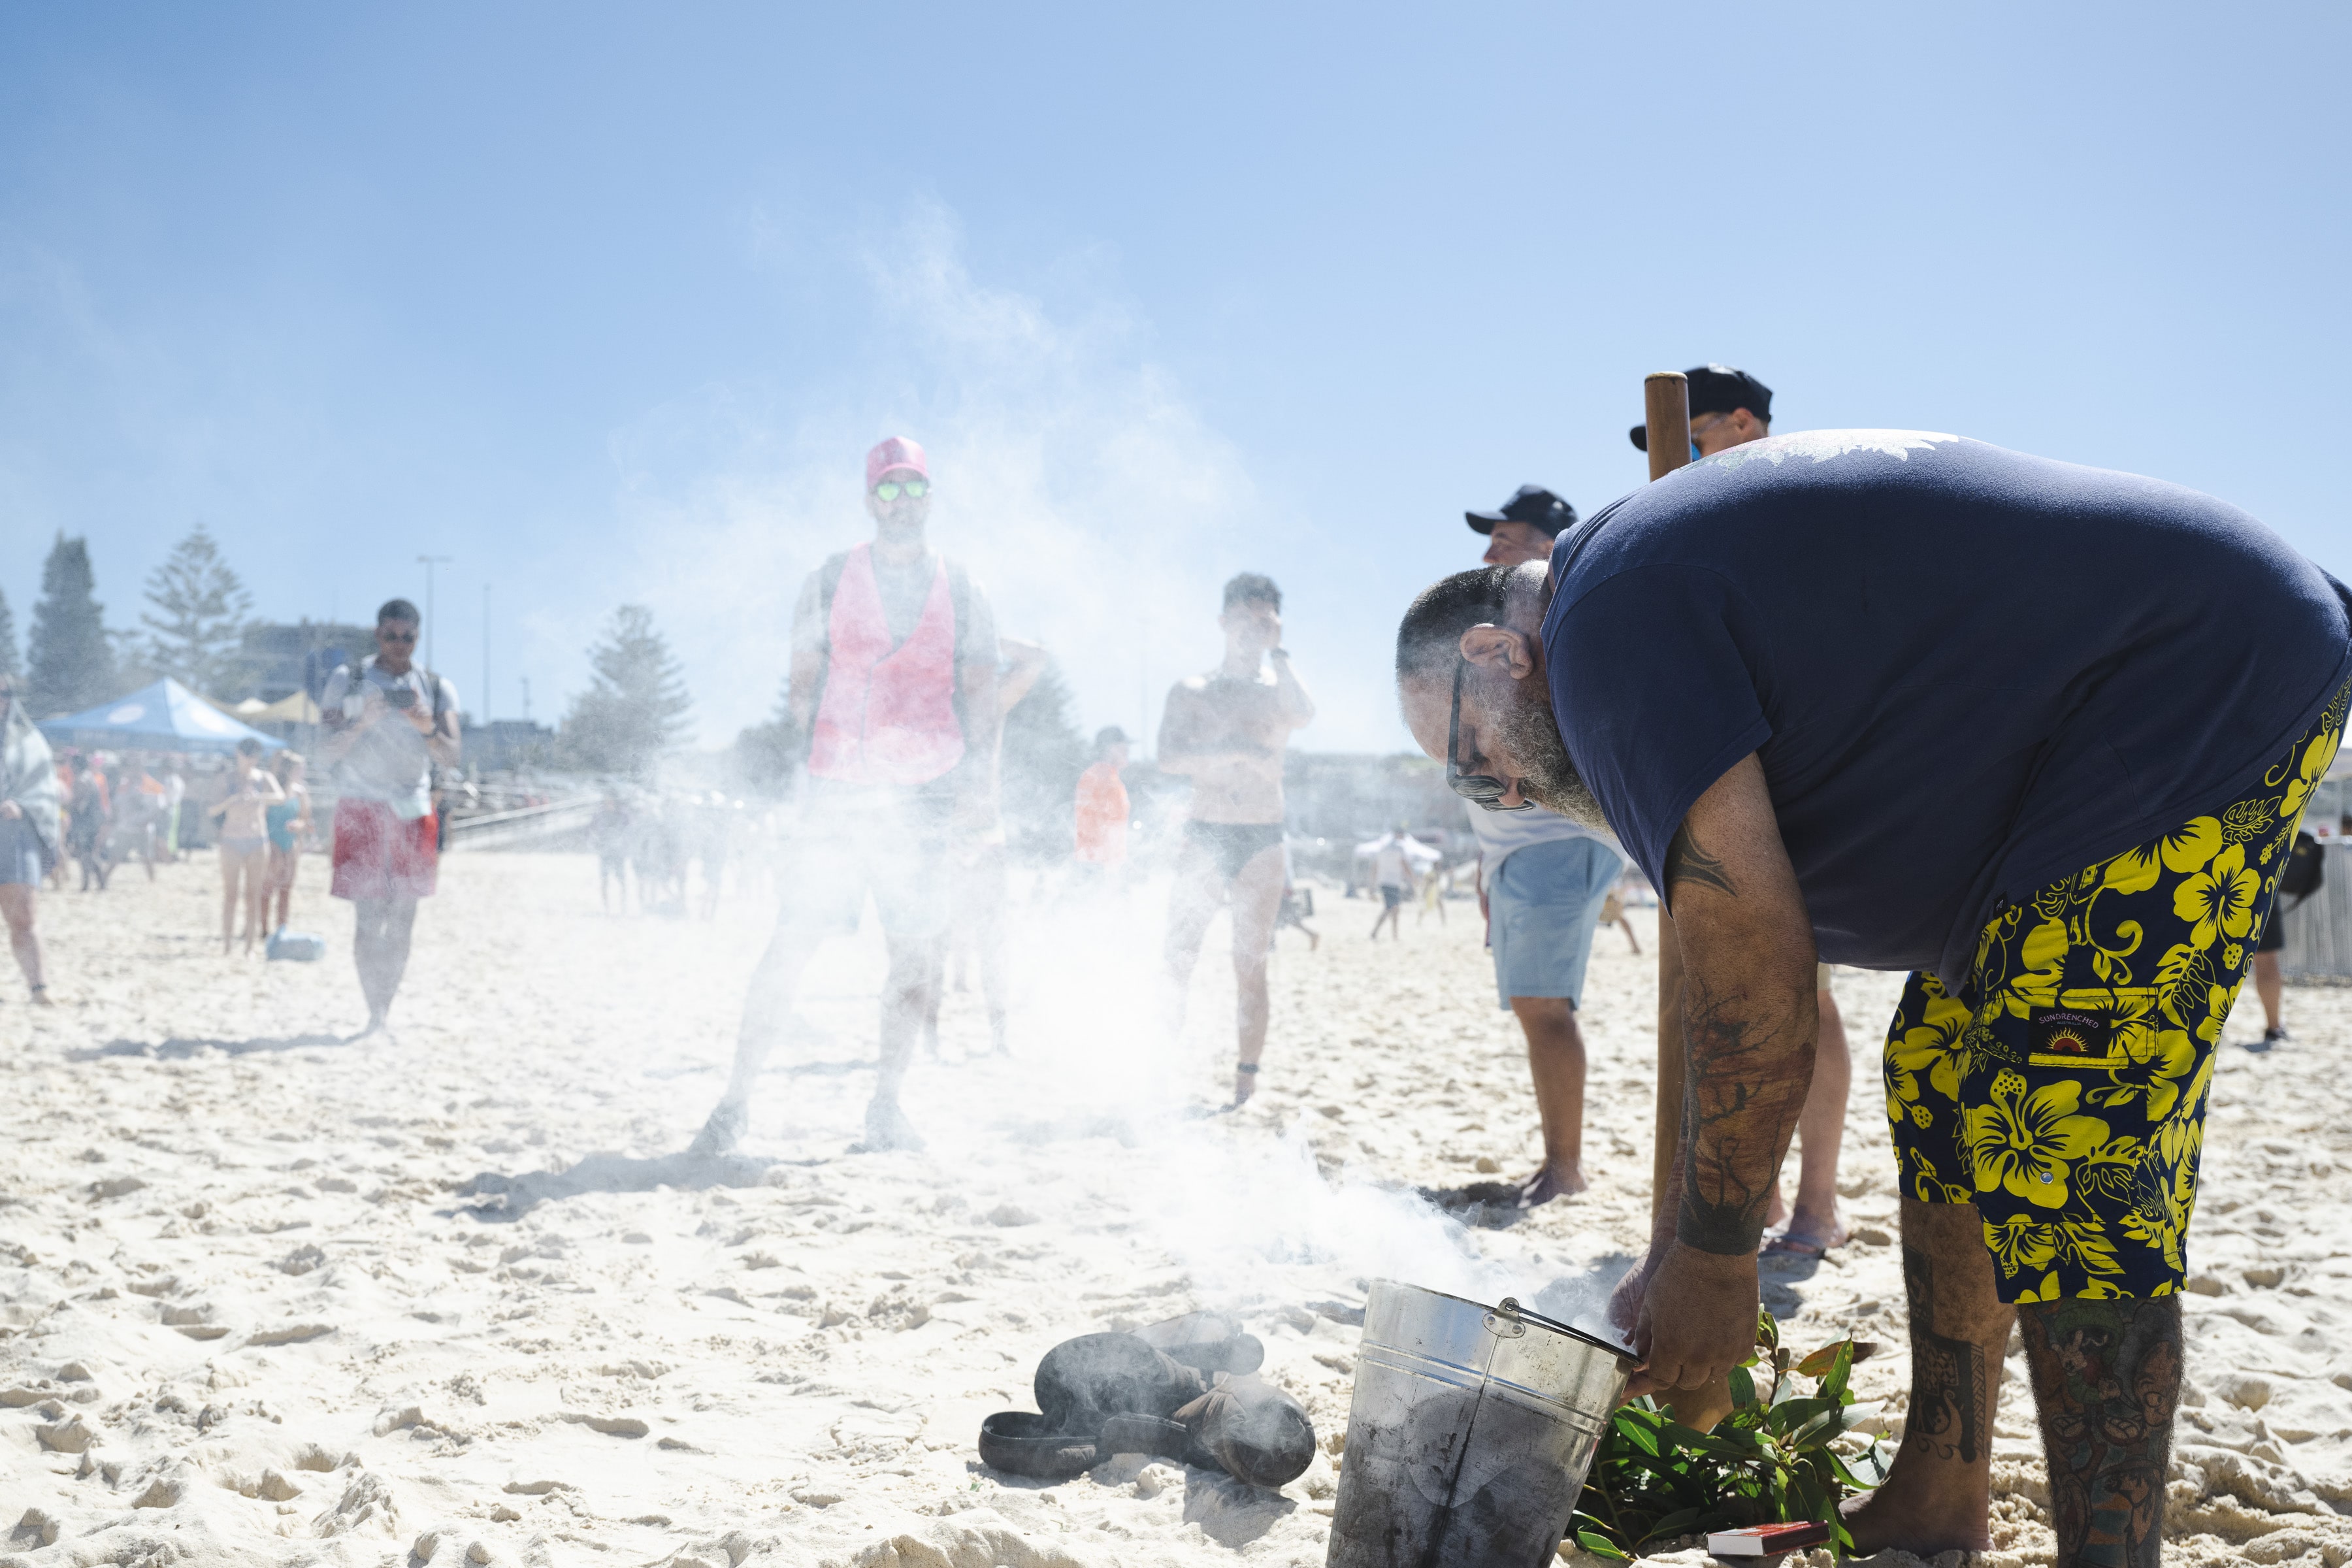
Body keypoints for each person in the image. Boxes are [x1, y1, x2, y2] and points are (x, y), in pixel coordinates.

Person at [1395, 429, 2352, 1564]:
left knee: (2063, 1122)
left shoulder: (1604, 632)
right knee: (1940, 1080)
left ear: (1498, 655)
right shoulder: (1621, 603)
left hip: (2203, 668)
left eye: (1471, 759)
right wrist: (1689, 1243)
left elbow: (1756, 959)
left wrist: (1715, 1254)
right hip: (2095, 733)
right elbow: (1733, 947)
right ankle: (1938, 1496)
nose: (1502, 793)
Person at [693, 436, 1001, 1154]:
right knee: (791, 944)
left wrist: (978, 785)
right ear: (870, 500)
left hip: (924, 794)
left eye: (913, 487)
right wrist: (812, 774)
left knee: (916, 957)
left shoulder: (965, 588)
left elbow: (982, 695)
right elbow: (802, 686)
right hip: (839, 789)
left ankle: (886, 1105)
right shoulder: (828, 580)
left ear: (930, 497)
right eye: (888, 488)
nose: (902, 501)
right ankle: (734, 1103)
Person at [1463, 483, 1629, 1205]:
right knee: (1537, 1006)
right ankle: (1557, 1162)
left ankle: (1566, 1169)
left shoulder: (1560, 620)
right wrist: (1487, 862)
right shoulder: (1521, 624)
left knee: (1543, 1005)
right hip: (1520, 847)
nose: (1488, 554)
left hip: (1552, 839)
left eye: (1505, 539)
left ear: (1548, 548)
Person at [1160, 573, 1315, 1107]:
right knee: (1178, 956)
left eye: (1263, 619)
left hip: (1262, 835)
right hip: (1206, 830)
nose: (1252, 628)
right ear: (1223, 621)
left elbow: (1304, 715)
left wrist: (1281, 652)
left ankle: (1245, 1082)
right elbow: (1168, 758)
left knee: (1250, 964)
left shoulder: (1278, 688)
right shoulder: (1192, 689)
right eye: (1244, 618)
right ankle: (1157, 1069)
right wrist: (1233, 754)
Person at [319, 599, 461, 1033]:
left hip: (412, 810)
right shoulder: (348, 679)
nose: (398, 644)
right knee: (368, 919)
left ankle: (384, 1011)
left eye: (407, 637)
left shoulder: (435, 686)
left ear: (418, 638)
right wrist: (362, 723)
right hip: (361, 807)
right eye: (390, 635)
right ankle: (374, 1013)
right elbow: (324, 751)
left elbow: (451, 756)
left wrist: (426, 728)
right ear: (377, 633)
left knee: (402, 921)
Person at [926, 636, 1047, 1058]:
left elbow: (1036, 658)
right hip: (942, 840)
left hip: (986, 838)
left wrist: (981, 630)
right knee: (936, 945)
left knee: (994, 945)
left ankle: (999, 1040)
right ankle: (929, 1041)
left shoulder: (988, 706)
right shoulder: (929, 706)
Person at [0, 674, 59, 1005]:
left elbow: (45, 788)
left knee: (23, 913)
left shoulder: (29, 740)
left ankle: (39, 987)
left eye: (4, 693)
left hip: (14, 832)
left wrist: (21, 804)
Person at [209, 738, 284, 956]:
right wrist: (233, 800)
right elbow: (212, 810)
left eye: (254, 757)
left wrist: (259, 797)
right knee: (231, 896)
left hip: (257, 840)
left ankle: (249, 948)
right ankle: (227, 946)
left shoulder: (264, 778)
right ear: (238, 754)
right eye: (247, 756)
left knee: (253, 896)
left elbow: (281, 797)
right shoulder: (227, 779)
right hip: (231, 840)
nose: (250, 761)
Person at [1072, 726, 1132, 894]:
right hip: (1101, 864)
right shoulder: (1105, 778)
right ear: (1110, 748)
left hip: (1094, 861)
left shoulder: (1095, 775)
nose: (1128, 751)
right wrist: (1117, 864)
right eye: (1124, 746)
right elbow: (1107, 824)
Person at [265, 751, 313, 934]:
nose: (302, 772)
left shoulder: (301, 792)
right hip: (271, 842)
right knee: (267, 888)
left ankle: (281, 929)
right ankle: (263, 929)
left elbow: (305, 819)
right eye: (299, 769)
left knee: (286, 888)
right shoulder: (273, 789)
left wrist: (298, 825)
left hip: (290, 843)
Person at [1358, 825, 1427, 941]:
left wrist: (1372, 886)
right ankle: (1377, 932)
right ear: (1400, 835)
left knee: (1394, 908)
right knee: (1391, 908)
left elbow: (1375, 867)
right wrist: (1414, 879)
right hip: (1393, 882)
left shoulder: (1382, 847)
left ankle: (1392, 935)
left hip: (1383, 881)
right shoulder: (1399, 848)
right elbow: (1405, 865)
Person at [592, 792, 632, 913]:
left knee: (622, 880)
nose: (609, 804)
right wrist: (598, 843)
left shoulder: (623, 815)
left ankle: (623, 906)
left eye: (610, 802)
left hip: (618, 853)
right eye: (606, 802)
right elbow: (593, 831)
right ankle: (607, 907)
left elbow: (629, 831)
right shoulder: (600, 815)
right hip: (605, 852)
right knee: (605, 880)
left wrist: (624, 843)